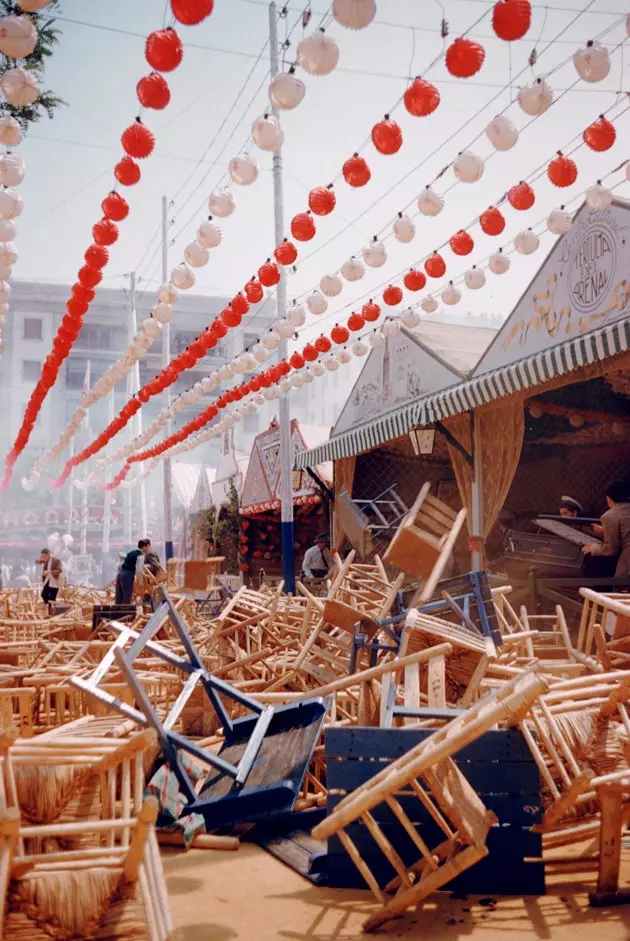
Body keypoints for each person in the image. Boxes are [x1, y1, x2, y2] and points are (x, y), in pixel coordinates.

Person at [583, 481, 630, 577]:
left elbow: (611, 549)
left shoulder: (609, 516)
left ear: (609, 499)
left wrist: (594, 548)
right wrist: (605, 531)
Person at [116, 539, 149, 605]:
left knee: (119, 599)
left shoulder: (131, 552)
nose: (148, 549)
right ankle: (127, 614)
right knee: (127, 599)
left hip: (120, 574)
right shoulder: (140, 555)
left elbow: (121, 565)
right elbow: (139, 570)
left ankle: (117, 614)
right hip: (127, 576)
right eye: (148, 547)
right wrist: (140, 583)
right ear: (144, 547)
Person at [35, 548, 63, 615]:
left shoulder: (56, 560)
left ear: (48, 554)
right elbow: (37, 561)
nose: (44, 557)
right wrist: (41, 559)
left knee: (52, 598)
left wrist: (49, 572)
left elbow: (59, 571)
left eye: (44, 556)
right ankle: (50, 608)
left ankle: (52, 612)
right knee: (43, 594)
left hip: (54, 582)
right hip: (47, 581)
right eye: (42, 556)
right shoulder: (45, 561)